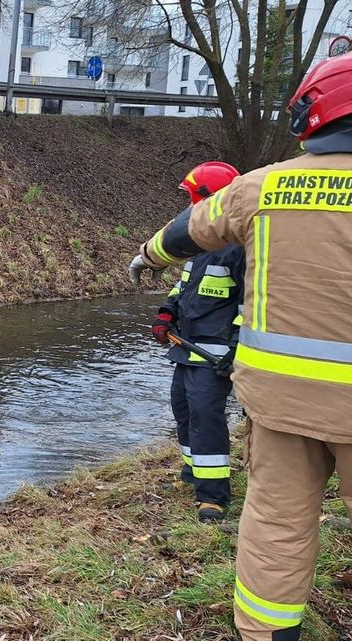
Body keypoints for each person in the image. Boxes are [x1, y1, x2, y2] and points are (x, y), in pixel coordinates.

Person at [128, 48, 352, 641]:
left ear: (314, 115)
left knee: (277, 520)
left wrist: (144, 257)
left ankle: (269, 633)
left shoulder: (263, 188)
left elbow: (185, 231)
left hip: (280, 404)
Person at [151, 161, 243, 522]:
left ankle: (213, 496)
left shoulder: (240, 247)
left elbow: (252, 303)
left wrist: (237, 348)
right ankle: (193, 474)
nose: (190, 207)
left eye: (193, 199)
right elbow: (185, 287)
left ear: (211, 199)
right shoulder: (204, 245)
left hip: (214, 353)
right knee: (184, 411)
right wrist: (166, 313)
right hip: (187, 348)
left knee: (206, 418)